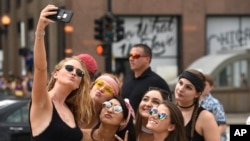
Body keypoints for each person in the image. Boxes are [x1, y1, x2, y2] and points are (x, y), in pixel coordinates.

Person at [29, 5, 92, 141]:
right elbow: (40, 69)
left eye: (79, 73)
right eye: (69, 68)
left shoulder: (70, 109)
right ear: (55, 74)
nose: (74, 73)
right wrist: (40, 31)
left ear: (78, 85)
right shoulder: (43, 101)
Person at [122, 43, 171, 112]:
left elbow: (167, 109)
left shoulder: (158, 82)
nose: (131, 59)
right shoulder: (127, 79)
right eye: (130, 55)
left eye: (135, 56)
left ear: (147, 59)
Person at [174, 69, 220, 141]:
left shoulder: (206, 118)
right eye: (180, 83)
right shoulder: (167, 111)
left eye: (188, 87)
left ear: (197, 94)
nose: (181, 89)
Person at [200, 74, 227, 141]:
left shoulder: (215, 103)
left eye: (205, 85)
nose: (202, 87)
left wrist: (211, 136)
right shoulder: (193, 101)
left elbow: (222, 125)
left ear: (211, 87)